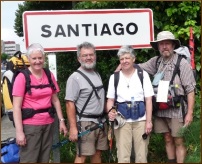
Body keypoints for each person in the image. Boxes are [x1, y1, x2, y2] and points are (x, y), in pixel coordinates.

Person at [115, 31, 196, 163]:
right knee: (167, 138)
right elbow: (136, 66)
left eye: (167, 44)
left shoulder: (182, 63)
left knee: (179, 140)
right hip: (161, 108)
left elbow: (191, 90)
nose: (164, 47)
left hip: (177, 110)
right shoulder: (156, 61)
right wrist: (121, 66)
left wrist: (190, 113)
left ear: (173, 45)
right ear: (158, 47)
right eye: (161, 44)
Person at [12, 43, 68, 163]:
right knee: (29, 159)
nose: (38, 61)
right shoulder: (22, 77)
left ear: (44, 58)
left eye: (40, 58)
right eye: (34, 58)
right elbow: (16, 107)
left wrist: (61, 121)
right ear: (28, 59)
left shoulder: (49, 74)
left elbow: (55, 100)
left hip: (48, 123)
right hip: (30, 126)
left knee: (44, 159)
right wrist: (19, 132)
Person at [106, 45, 154, 163]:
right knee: (123, 156)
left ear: (133, 59)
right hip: (122, 121)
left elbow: (148, 100)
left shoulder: (143, 75)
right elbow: (110, 100)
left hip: (141, 120)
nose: (124, 61)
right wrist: (110, 112)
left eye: (127, 58)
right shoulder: (114, 77)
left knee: (142, 156)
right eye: (122, 59)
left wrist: (149, 121)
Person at [65, 41, 108, 163]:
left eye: (91, 54)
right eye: (85, 55)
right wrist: (73, 128)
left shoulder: (96, 74)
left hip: (100, 121)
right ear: (79, 58)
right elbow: (69, 103)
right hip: (84, 123)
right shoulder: (75, 78)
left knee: (97, 153)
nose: (88, 58)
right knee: (82, 155)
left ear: (95, 56)